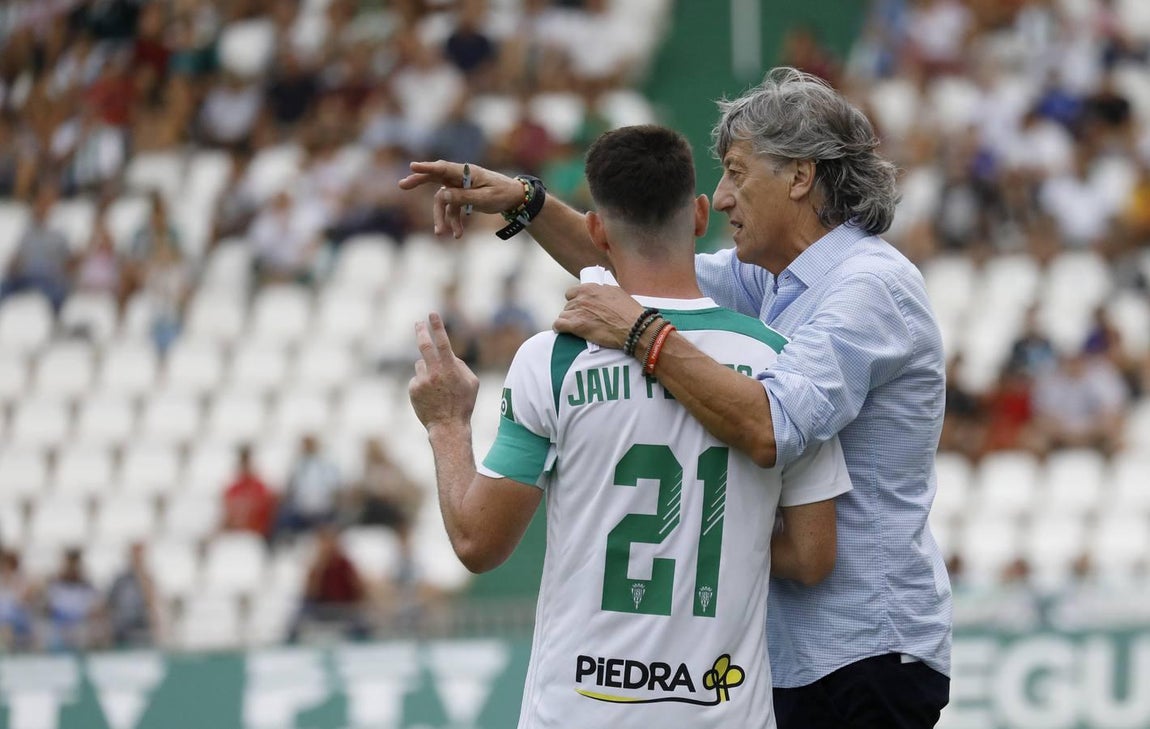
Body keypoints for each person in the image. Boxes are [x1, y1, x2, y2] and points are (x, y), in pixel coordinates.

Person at [400, 68, 952, 728]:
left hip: (864, 653)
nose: (720, 199)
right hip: (791, 654)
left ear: (800, 176)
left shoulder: (869, 287)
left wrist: (635, 332)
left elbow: (771, 425)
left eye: (739, 173)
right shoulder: (775, 281)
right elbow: (645, 259)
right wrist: (525, 200)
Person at [105, 542, 159, 648]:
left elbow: (151, 602)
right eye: (135, 555)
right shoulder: (120, 580)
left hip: (141, 627)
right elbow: (110, 602)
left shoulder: (147, 579)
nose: (137, 558)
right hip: (121, 629)